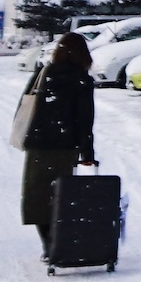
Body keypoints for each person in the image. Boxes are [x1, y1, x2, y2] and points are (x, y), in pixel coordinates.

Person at [20, 31, 97, 258]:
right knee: (61, 196)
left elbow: (26, 104)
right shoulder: (82, 80)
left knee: (38, 195)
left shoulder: (44, 73)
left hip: (37, 144)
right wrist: (87, 153)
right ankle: (60, 241)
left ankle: (48, 244)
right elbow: (85, 121)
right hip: (65, 146)